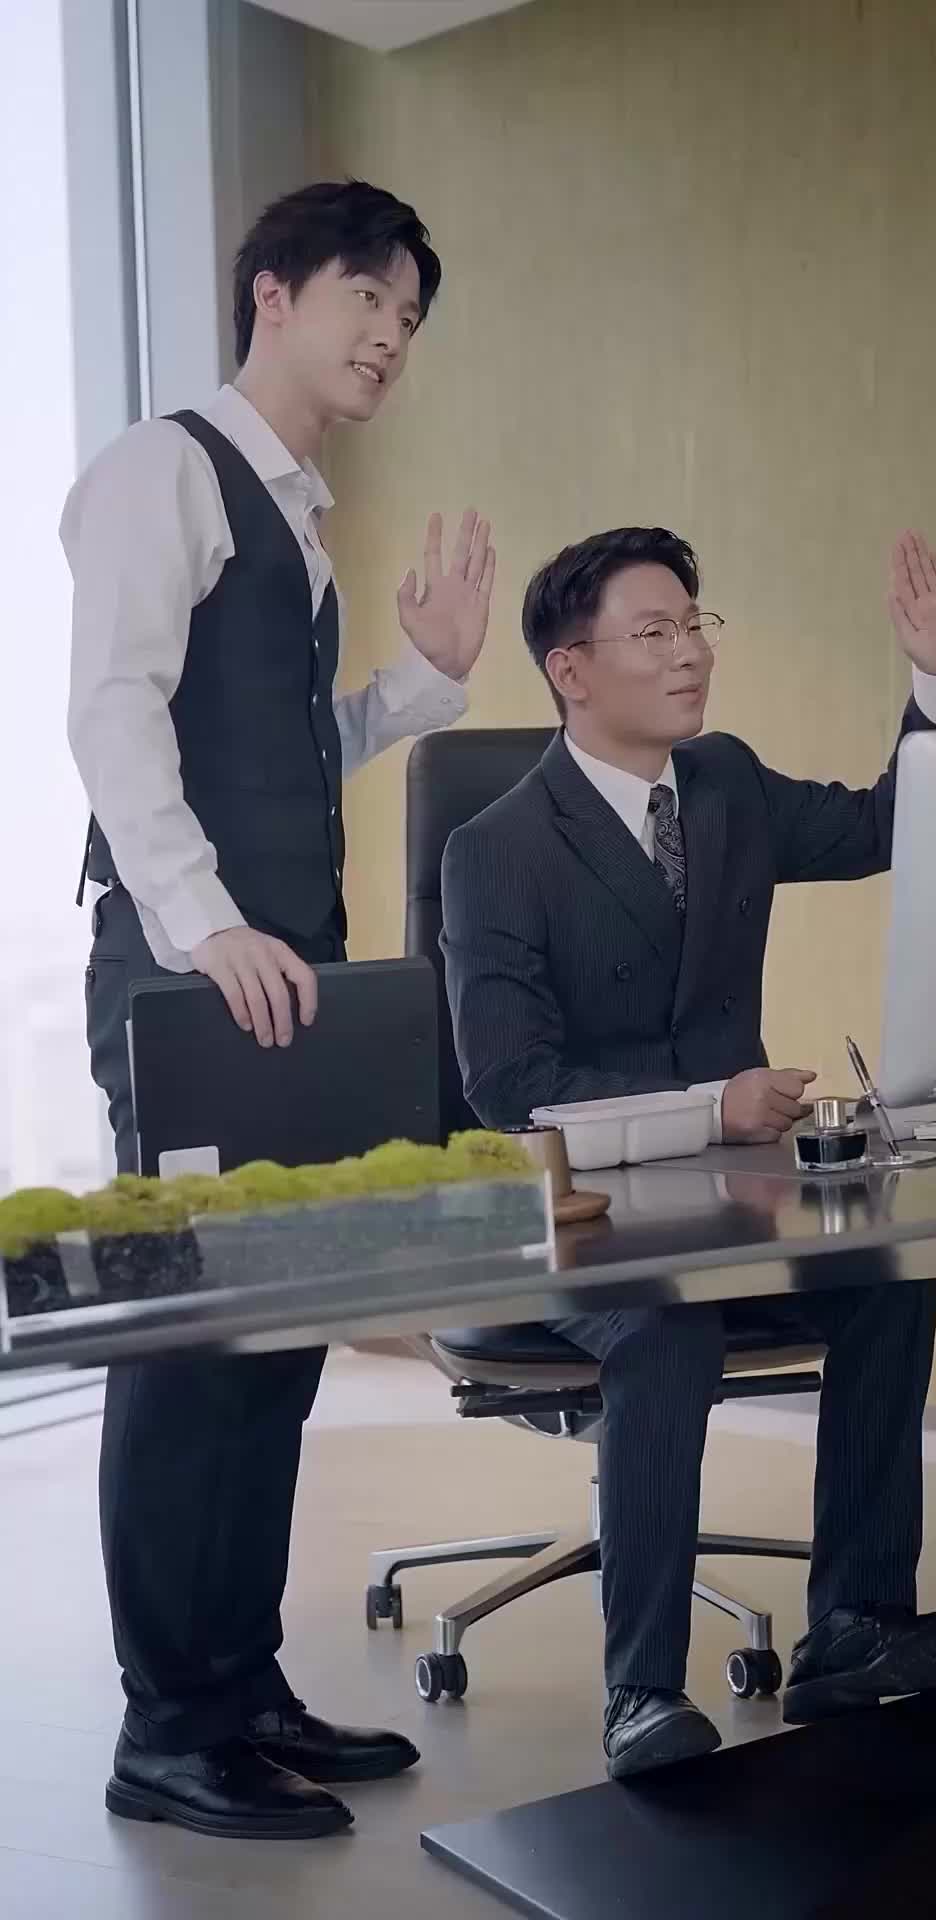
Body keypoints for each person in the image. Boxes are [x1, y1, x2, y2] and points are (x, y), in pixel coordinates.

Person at [62, 179, 495, 1840]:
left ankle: (240, 1686)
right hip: (191, 980)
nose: (391, 335)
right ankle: (167, 1728)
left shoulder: (293, 518)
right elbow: (111, 711)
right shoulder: (164, 469)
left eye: (410, 316)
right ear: (274, 296)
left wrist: (425, 684)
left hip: (281, 980)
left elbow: (288, 748)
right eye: (366, 297)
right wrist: (201, 920)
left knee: (273, 1346)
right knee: (190, 1352)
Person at [441, 525, 936, 1782]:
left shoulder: (727, 783)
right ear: (572, 670)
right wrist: (711, 1107)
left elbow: (888, 826)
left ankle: (854, 1626)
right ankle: (641, 1693)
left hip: (731, 1196)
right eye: (655, 632)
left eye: (695, 626)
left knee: (892, 1272)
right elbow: (513, 1087)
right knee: (665, 1327)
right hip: (574, 1215)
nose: (690, 652)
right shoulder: (497, 850)